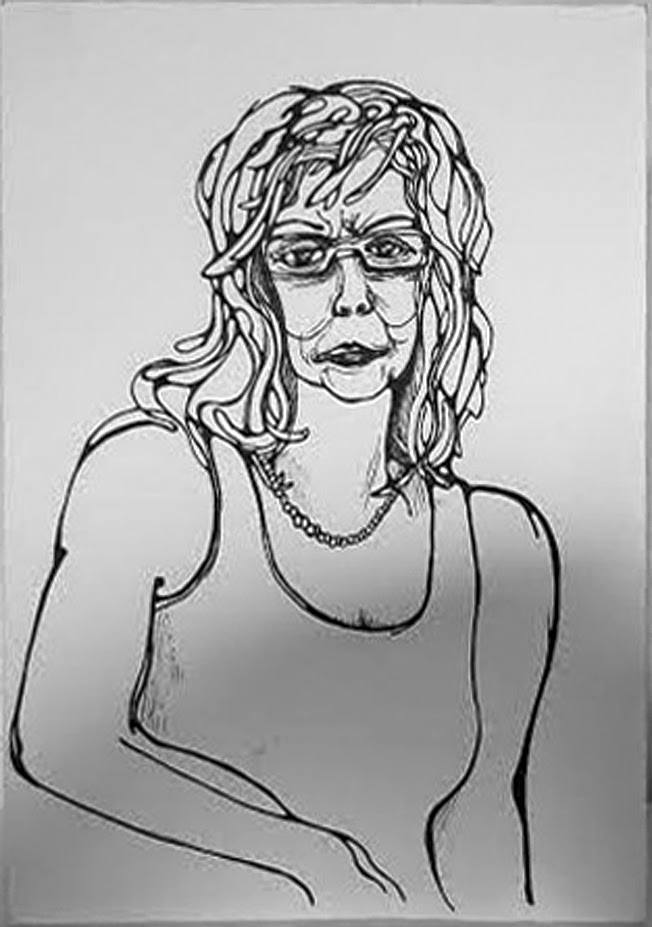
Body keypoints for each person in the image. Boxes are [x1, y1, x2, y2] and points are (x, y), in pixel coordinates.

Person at [10, 79, 560, 917]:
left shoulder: (502, 541)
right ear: (254, 284)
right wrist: (309, 857)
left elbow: (481, 826)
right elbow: (52, 741)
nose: (352, 294)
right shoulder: (160, 476)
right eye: (304, 256)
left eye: (389, 249)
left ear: (438, 279)